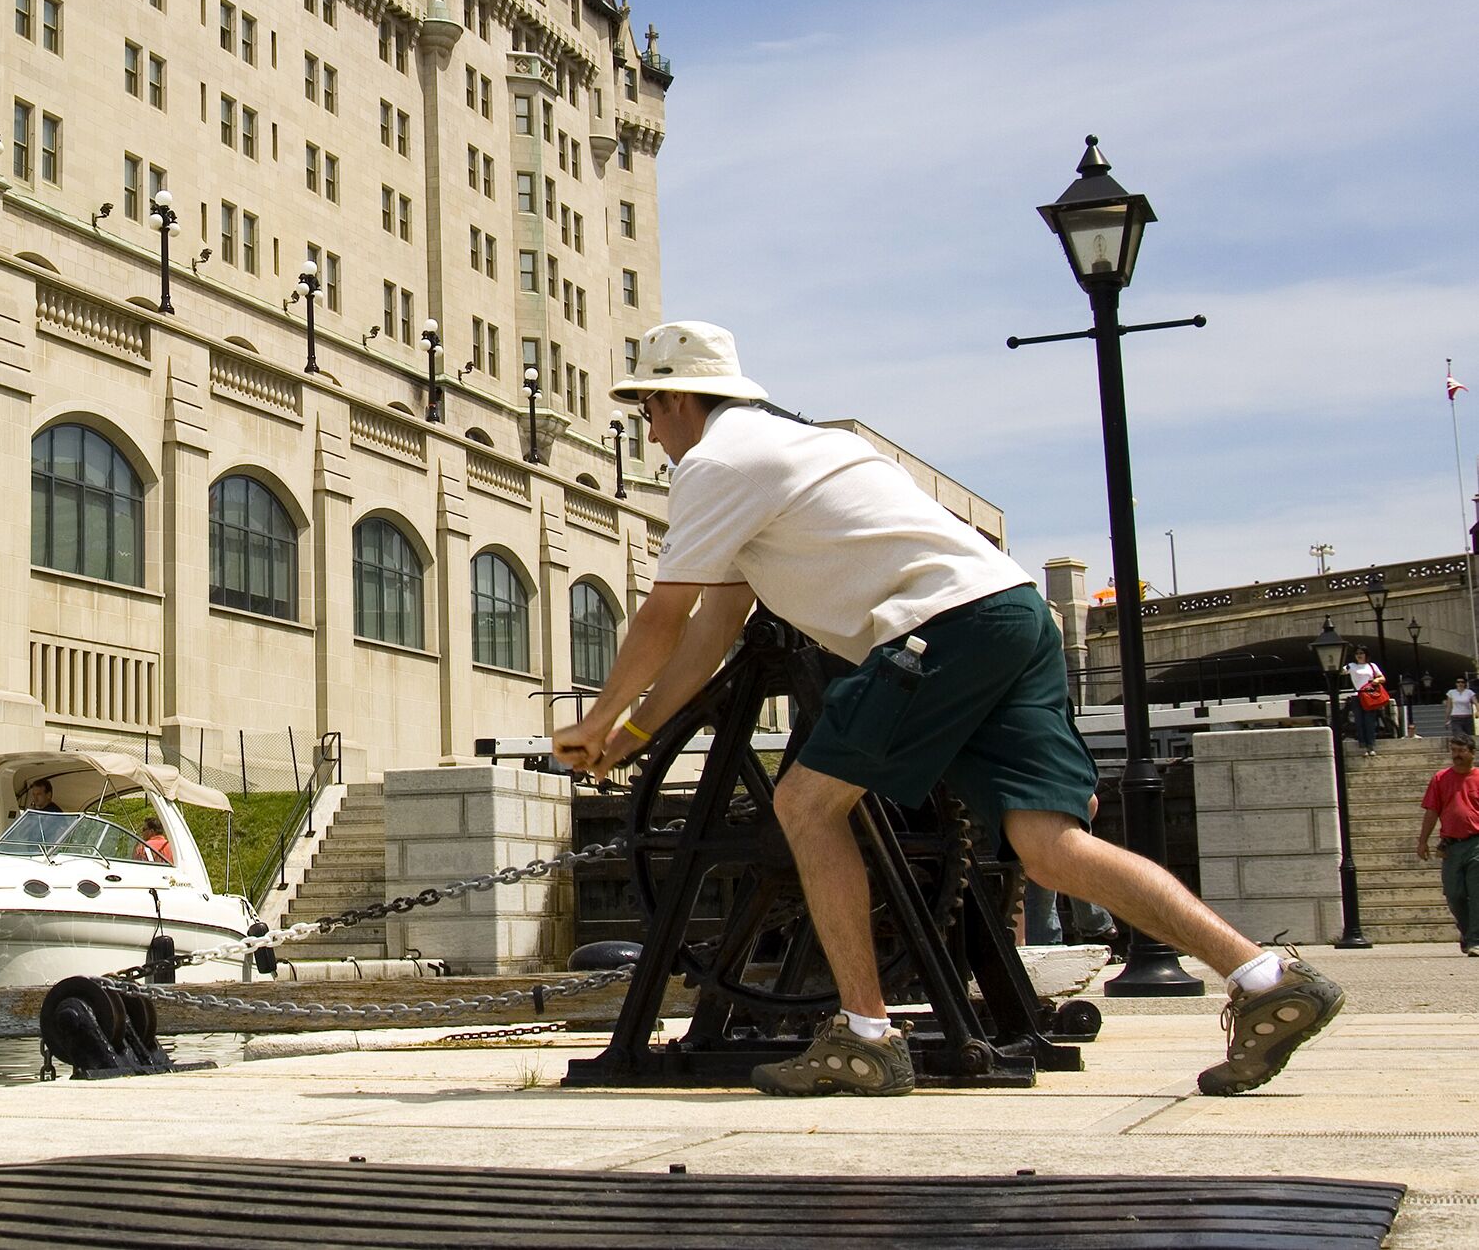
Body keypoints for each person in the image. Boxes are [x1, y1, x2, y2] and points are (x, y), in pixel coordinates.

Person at [553, 322, 1343, 1099]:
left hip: (935, 629)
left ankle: (866, 1038)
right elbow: (711, 635)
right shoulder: (800, 447)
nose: (650, 432)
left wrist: (595, 722)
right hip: (1012, 614)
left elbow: (665, 617)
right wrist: (630, 732)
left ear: (681, 399)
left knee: (804, 803)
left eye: (648, 412)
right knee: (1049, 847)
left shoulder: (717, 463)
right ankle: (1264, 974)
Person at [1417, 736, 1479, 956]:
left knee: (1477, 892)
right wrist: (1423, 840)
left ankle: (1475, 940)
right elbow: (1432, 811)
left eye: (1461, 750)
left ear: (1472, 753)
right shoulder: (1441, 778)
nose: (1457, 755)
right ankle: (1468, 931)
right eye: (1453, 750)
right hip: (1451, 845)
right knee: (1454, 894)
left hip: (1476, 844)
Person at [1343, 647, 1388, 753]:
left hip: (1369, 696)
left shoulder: (1372, 666)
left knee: (1370, 721)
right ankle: (1362, 744)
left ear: (1365, 654)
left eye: (1361, 653)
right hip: (1357, 696)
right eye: (1357, 653)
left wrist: (1376, 681)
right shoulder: (1352, 666)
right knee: (1359, 721)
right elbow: (1341, 671)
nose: (1359, 655)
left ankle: (1371, 745)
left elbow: (1382, 678)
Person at [1447, 674, 1475, 744]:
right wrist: (1447, 719)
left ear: (1465, 683)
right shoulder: (1451, 692)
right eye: (1458, 682)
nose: (1460, 684)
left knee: (1469, 737)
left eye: (1462, 682)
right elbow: (1449, 706)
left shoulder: (1469, 692)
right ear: (1456, 683)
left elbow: (1476, 703)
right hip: (1456, 718)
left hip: (1467, 717)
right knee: (1459, 736)